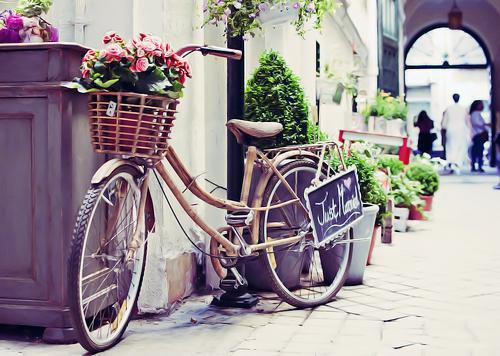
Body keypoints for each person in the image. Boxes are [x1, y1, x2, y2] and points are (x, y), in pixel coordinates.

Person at [442, 94, 469, 173]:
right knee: (460, 145)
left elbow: (444, 122)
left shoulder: (449, 109)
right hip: (461, 128)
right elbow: (466, 120)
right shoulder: (463, 109)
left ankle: (451, 161)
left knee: (450, 145)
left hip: (451, 128)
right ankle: (457, 162)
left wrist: (443, 129)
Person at [469, 100, 489, 172]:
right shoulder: (475, 113)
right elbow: (477, 123)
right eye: (480, 104)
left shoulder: (476, 113)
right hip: (478, 135)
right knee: (479, 151)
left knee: (476, 151)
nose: (482, 106)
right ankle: (478, 166)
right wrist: (485, 125)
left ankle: (475, 166)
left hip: (477, 135)